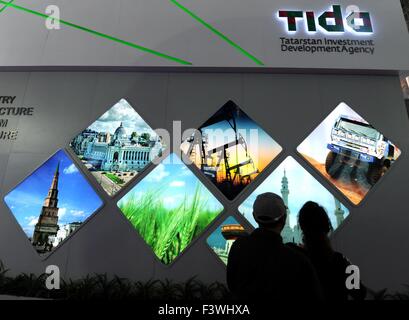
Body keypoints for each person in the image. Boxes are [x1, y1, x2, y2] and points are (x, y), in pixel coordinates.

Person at [226, 193, 323, 300]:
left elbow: (232, 285)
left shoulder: (238, 248)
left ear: (254, 216)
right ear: (284, 218)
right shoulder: (298, 260)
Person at [296, 201, 367, 300]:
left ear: (301, 227)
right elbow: (360, 293)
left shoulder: (295, 261)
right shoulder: (340, 262)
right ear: (327, 227)